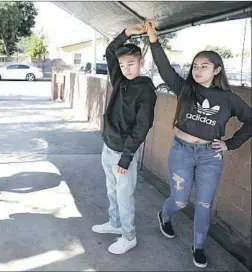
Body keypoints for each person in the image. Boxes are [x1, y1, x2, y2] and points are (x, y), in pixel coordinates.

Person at [146, 20, 251, 268]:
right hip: (182, 151)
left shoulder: (228, 98)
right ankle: (165, 214)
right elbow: (163, 68)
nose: (198, 69)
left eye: (205, 66)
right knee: (180, 200)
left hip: (209, 156)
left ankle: (198, 245)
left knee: (204, 204)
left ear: (217, 70)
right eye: (195, 65)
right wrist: (154, 40)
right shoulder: (185, 89)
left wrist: (230, 144)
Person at [92, 24, 157, 255]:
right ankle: (115, 223)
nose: (126, 68)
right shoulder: (119, 78)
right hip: (108, 144)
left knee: (124, 195)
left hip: (124, 153)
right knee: (112, 190)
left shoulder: (146, 90)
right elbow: (111, 51)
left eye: (131, 64)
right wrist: (127, 32)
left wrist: (126, 158)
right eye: (123, 64)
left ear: (142, 63)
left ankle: (129, 236)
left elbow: (142, 127)